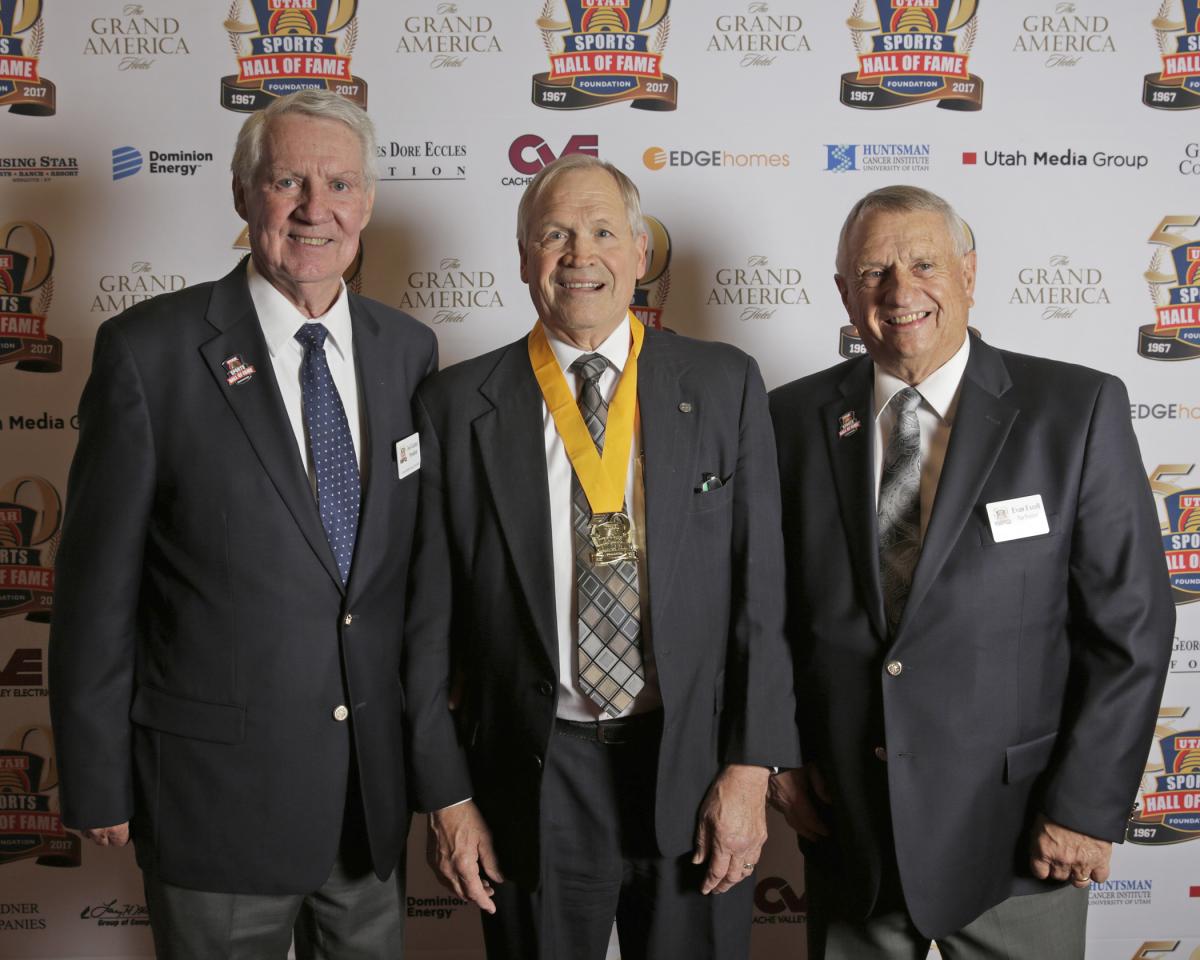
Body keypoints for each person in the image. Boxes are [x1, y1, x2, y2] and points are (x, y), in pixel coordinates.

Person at [49, 89, 436, 959]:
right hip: (213, 801)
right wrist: (97, 777)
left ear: (367, 202)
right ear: (242, 194)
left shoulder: (409, 351)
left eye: (339, 184)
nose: (315, 209)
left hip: (367, 807)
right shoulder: (148, 352)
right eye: (287, 181)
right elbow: (94, 592)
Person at [402, 154, 800, 960]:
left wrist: (751, 767)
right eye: (555, 235)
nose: (580, 255)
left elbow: (762, 598)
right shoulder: (455, 405)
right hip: (530, 774)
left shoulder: (723, 384)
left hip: (691, 766)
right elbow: (425, 627)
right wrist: (446, 797)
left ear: (641, 252)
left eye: (603, 232)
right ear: (524, 257)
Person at [767, 184, 1174, 958]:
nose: (900, 291)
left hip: (1023, 838)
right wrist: (777, 756)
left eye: (924, 264)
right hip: (853, 830)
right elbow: (767, 612)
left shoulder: (1075, 409)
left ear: (969, 273)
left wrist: (1085, 807)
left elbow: (1132, 628)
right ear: (845, 292)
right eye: (874, 272)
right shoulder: (788, 420)